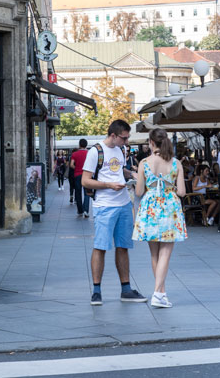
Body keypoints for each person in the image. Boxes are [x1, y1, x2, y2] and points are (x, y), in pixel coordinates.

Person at [82, 119, 146, 306]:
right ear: (113, 135)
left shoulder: (121, 150)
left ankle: (125, 289)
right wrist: (108, 185)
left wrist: (130, 174)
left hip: (124, 203)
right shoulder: (95, 151)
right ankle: (96, 291)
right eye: (124, 138)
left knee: (123, 246)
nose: (126, 143)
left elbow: (117, 170)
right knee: (101, 246)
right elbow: (85, 181)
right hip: (104, 205)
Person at [133, 128, 187, 308]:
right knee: (166, 253)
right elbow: (182, 192)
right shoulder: (176, 163)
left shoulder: (144, 163)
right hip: (169, 206)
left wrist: (138, 178)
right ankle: (158, 293)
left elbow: (139, 192)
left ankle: (161, 293)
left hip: (149, 207)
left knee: (155, 254)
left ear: (151, 142)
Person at [70, 139, 90, 216]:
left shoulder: (74, 154)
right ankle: (86, 210)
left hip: (77, 175)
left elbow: (71, 165)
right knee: (87, 193)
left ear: (79, 145)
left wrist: (77, 168)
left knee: (78, 193)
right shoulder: (88, 153)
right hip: (87, 175)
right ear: (86, 145)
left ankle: (80, 210)